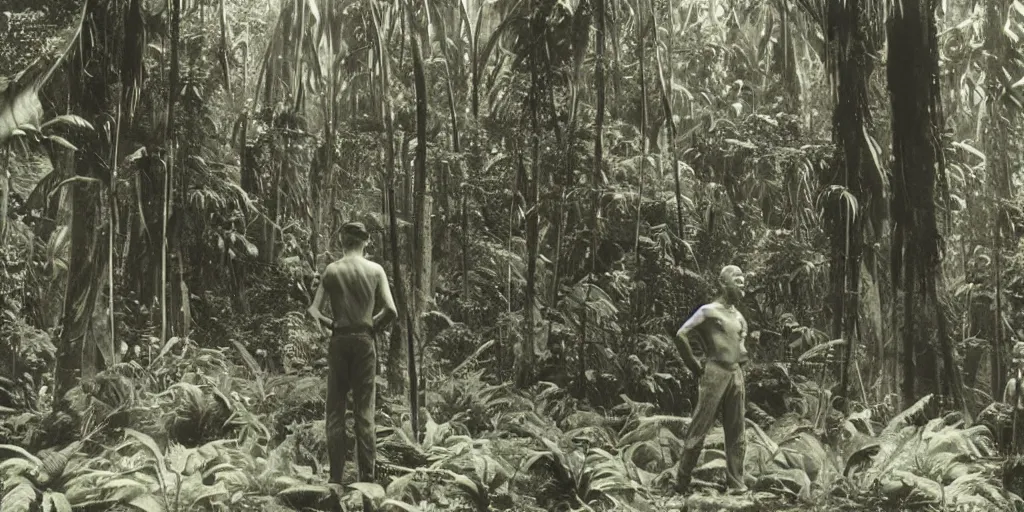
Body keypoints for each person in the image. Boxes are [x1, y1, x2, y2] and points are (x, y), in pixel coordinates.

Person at [307, 221, 398, 498]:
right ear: (365, 242)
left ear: (341, 242)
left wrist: (328, 324)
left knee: (334, 409)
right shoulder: (376, 270)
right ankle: (367, 481)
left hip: (339, 340)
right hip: (364, 341)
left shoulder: (332, 270)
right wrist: (372, 326)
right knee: (364, 412)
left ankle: (335, 479)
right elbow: (391, 310)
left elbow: (313, 310)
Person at [673, 264, 750, 495]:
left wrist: (741, 353)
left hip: (735, 374)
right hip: (714, 371)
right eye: (735, 278)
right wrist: (695, 366)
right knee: (699, 428)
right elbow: (681, 335)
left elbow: (742, 348)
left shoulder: (739, 317)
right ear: (722, 283)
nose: (741, 281)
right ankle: (681, 482)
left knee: (737, 432)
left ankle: (736, 484)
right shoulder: (708, 311)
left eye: (743, 278)